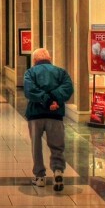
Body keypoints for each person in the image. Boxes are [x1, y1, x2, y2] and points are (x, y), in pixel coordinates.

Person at [23, 48, 74, 192]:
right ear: (49, 58)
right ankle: (58, 171)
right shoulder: (60, 72)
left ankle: (40, 177)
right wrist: (54, 99)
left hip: (35, 115)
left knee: (36, 145)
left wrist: (45, 100)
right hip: (55, 115)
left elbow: (29, 90)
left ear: (34, 61)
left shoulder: (30, 73)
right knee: (57, 145)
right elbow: (68, 88)